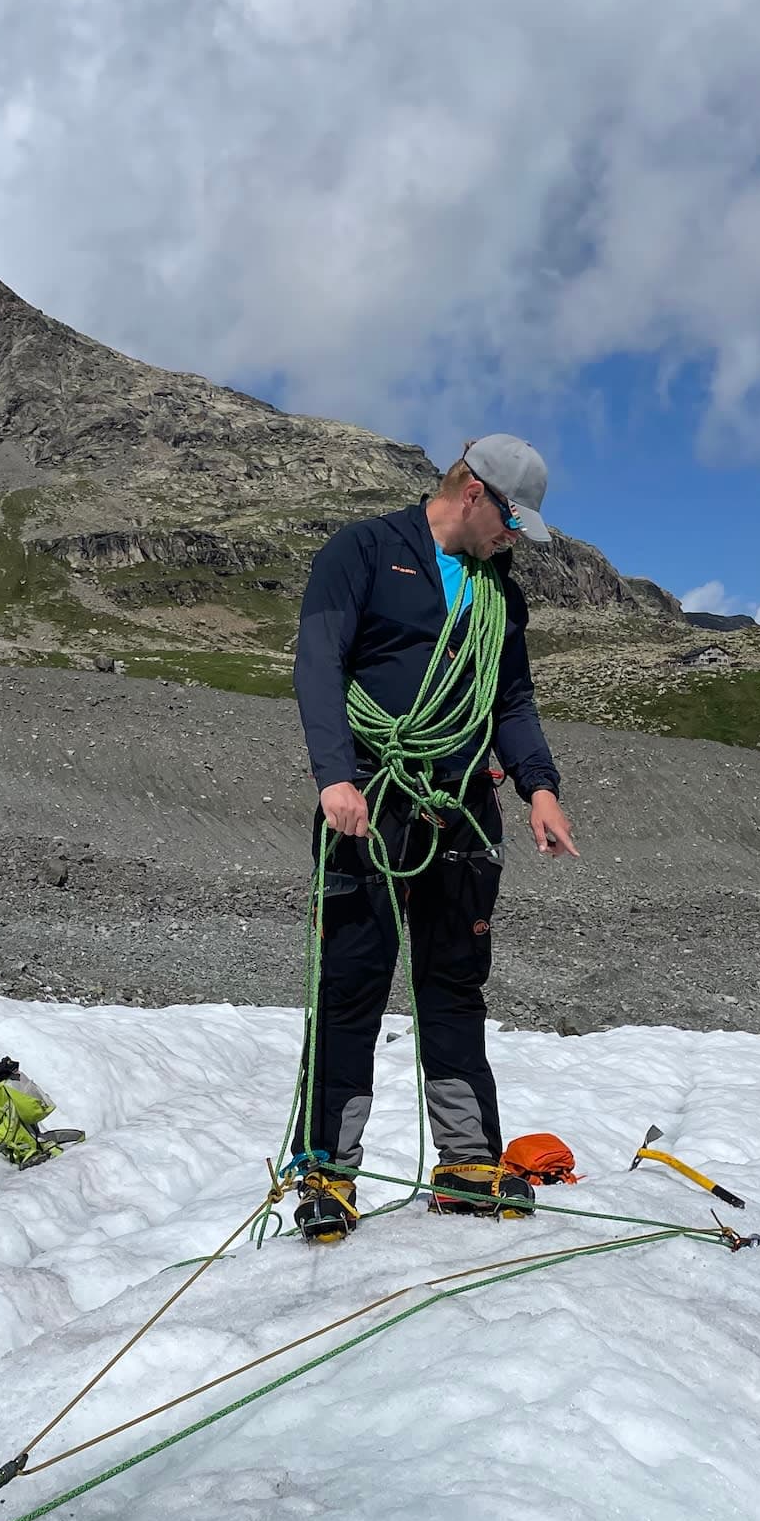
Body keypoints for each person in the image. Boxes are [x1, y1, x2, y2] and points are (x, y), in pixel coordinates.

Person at [288, 434, 579, 1243]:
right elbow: (319, 662)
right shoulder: (366, 551)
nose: (513, 541)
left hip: (463, 812)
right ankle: (326, 1172)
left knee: (455, 988)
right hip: (371, 803)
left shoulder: (500, 596)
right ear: (474, 492)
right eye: (512, 523)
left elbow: (510, 701)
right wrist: (335, 776)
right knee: (351, 986)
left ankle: (466, 1163)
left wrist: (540, 788)